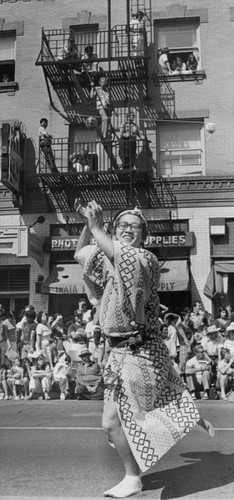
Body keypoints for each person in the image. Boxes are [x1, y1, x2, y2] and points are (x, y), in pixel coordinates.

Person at [74, 200, 213, 498]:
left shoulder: (144, 259)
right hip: (119, 354)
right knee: (117, 422)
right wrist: (89, 224)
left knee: (113, 421)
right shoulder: (110, 260)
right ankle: (137, 466)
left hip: (141, 353)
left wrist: (98, 227)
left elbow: (116, 250)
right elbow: (80, 253)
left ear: (143, 235)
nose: (127, 229)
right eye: (121, 225)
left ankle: (132, 476)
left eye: (134, 226)